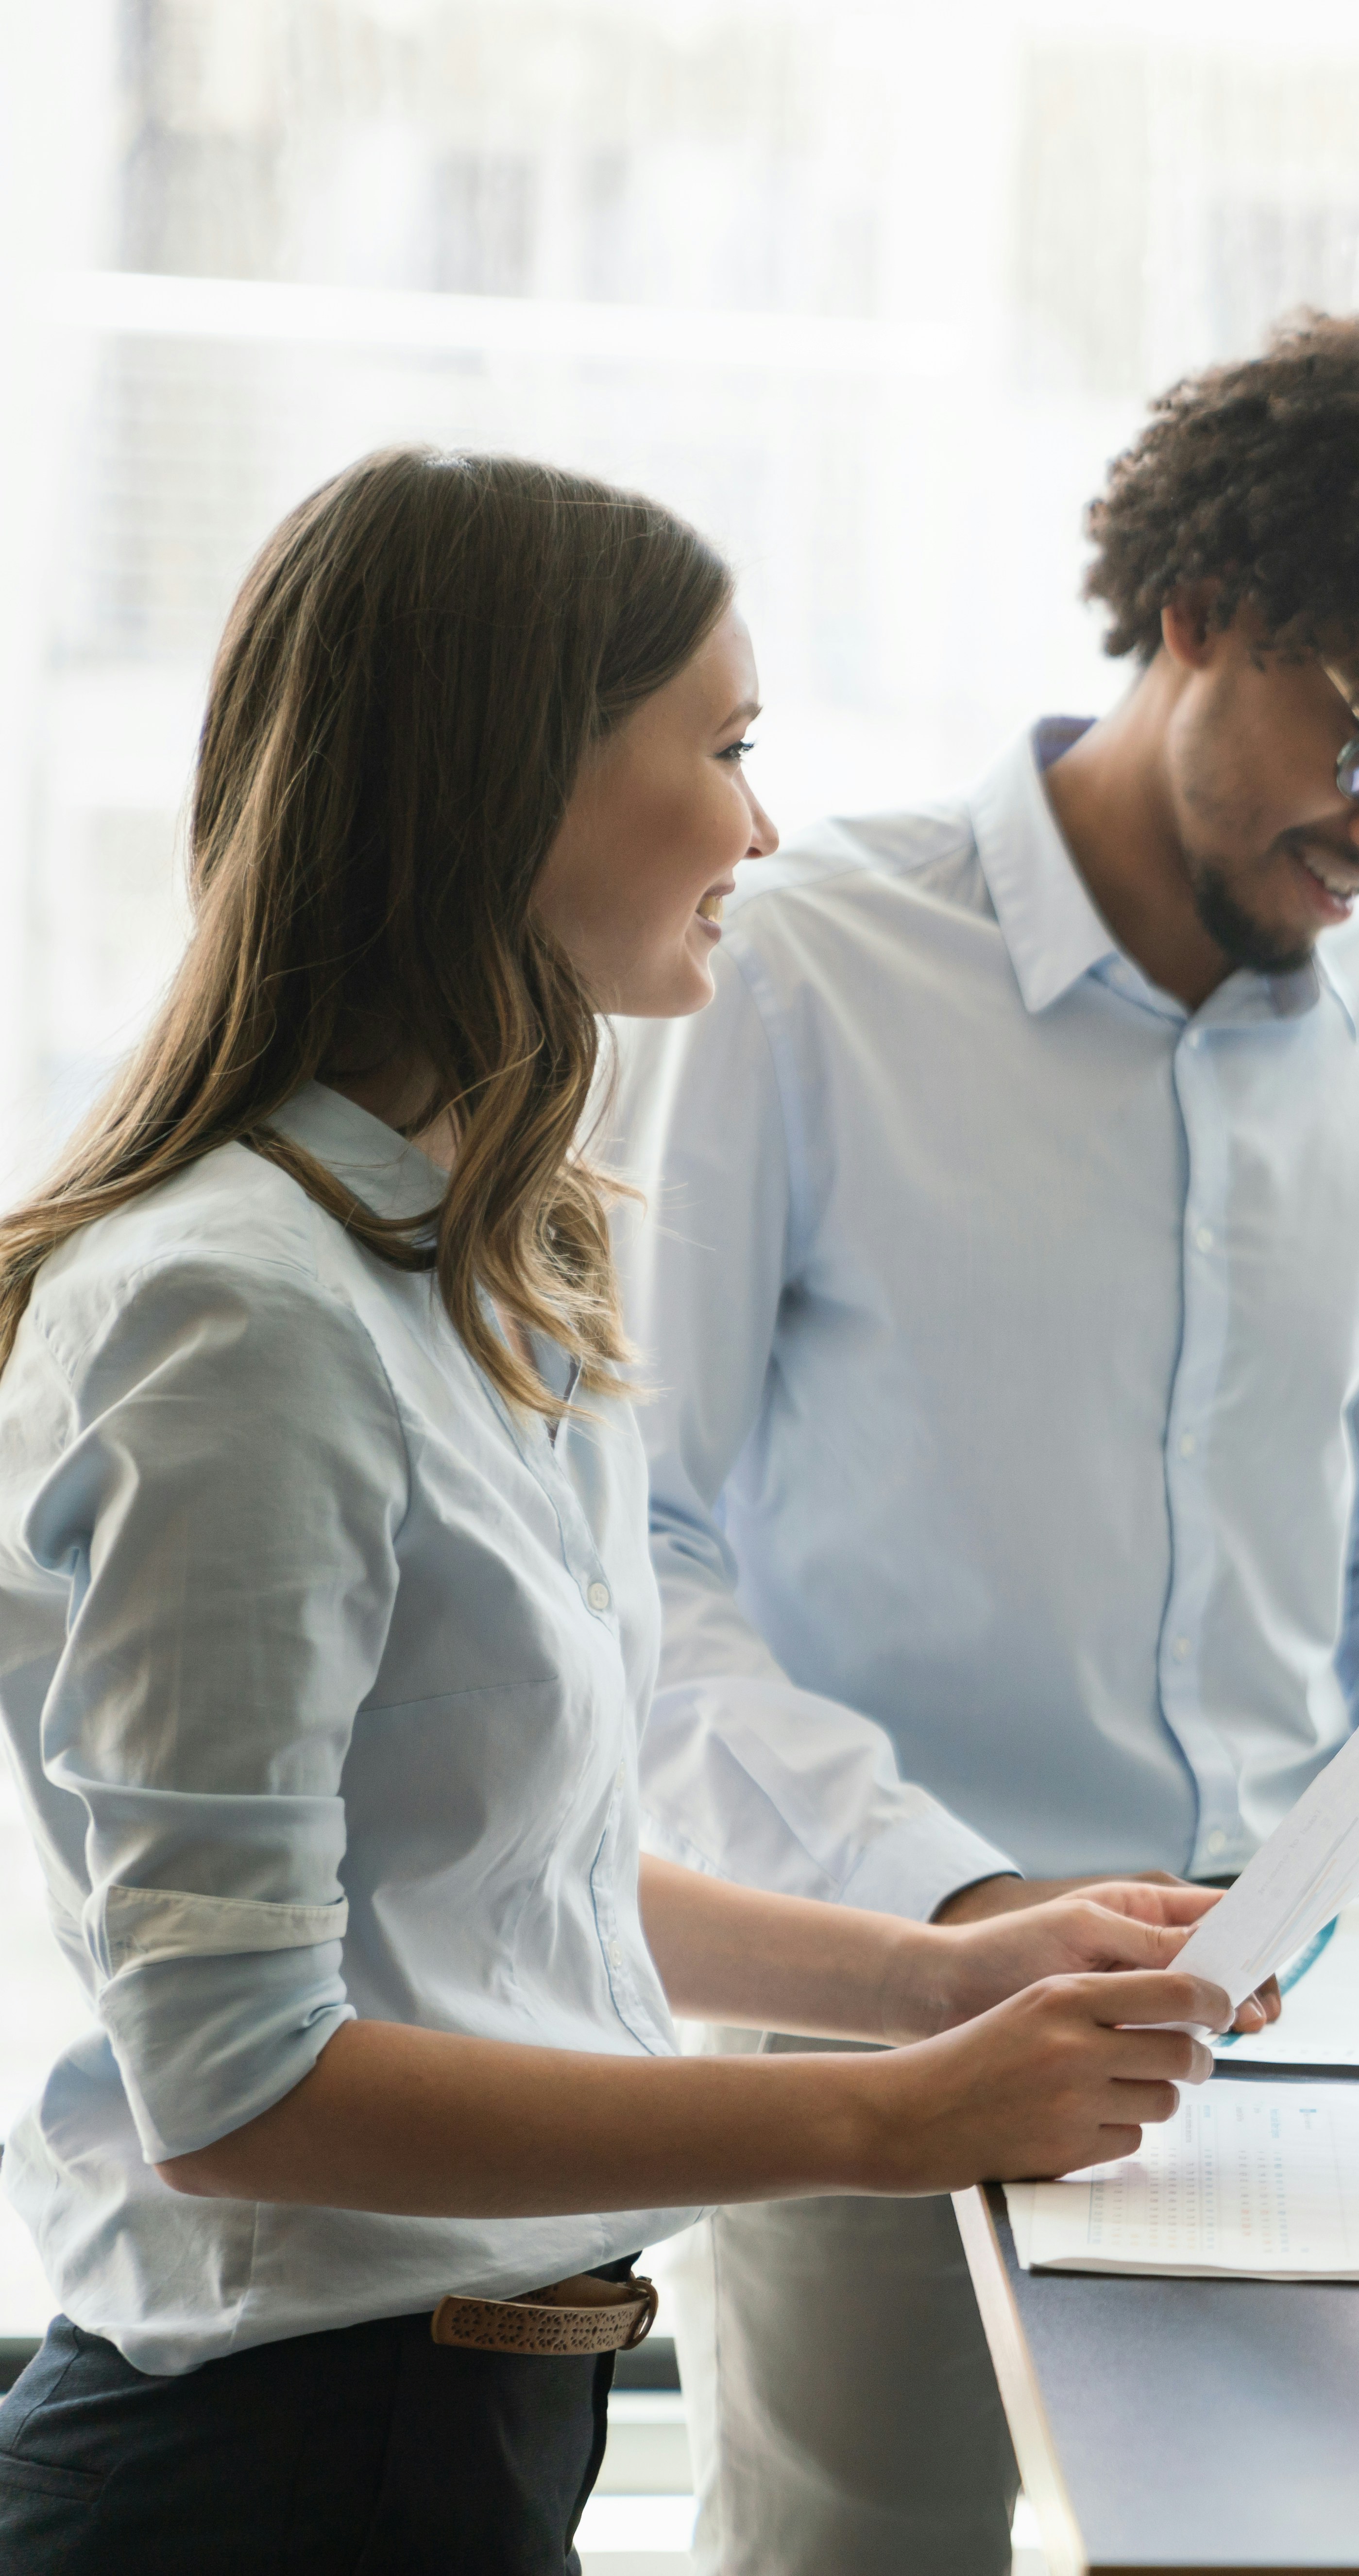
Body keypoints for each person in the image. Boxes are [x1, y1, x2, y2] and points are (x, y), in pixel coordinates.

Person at [0, 448, 1248, 2574]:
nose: (762, 824)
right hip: (266, 2485)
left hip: (460, 2437)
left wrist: (936, 1982)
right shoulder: (233, 1313)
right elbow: (236, 2088)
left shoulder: (471, 1263)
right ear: (516, 786)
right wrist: (887, 2119)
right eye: (727, 746)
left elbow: (510, 1857)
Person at [607, 311, 1359, 2576]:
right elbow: (642, 1564)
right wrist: (961, 1909)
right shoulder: (798, 965)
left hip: (1277, 2034)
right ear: (1197, 615)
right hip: (869, 2011)